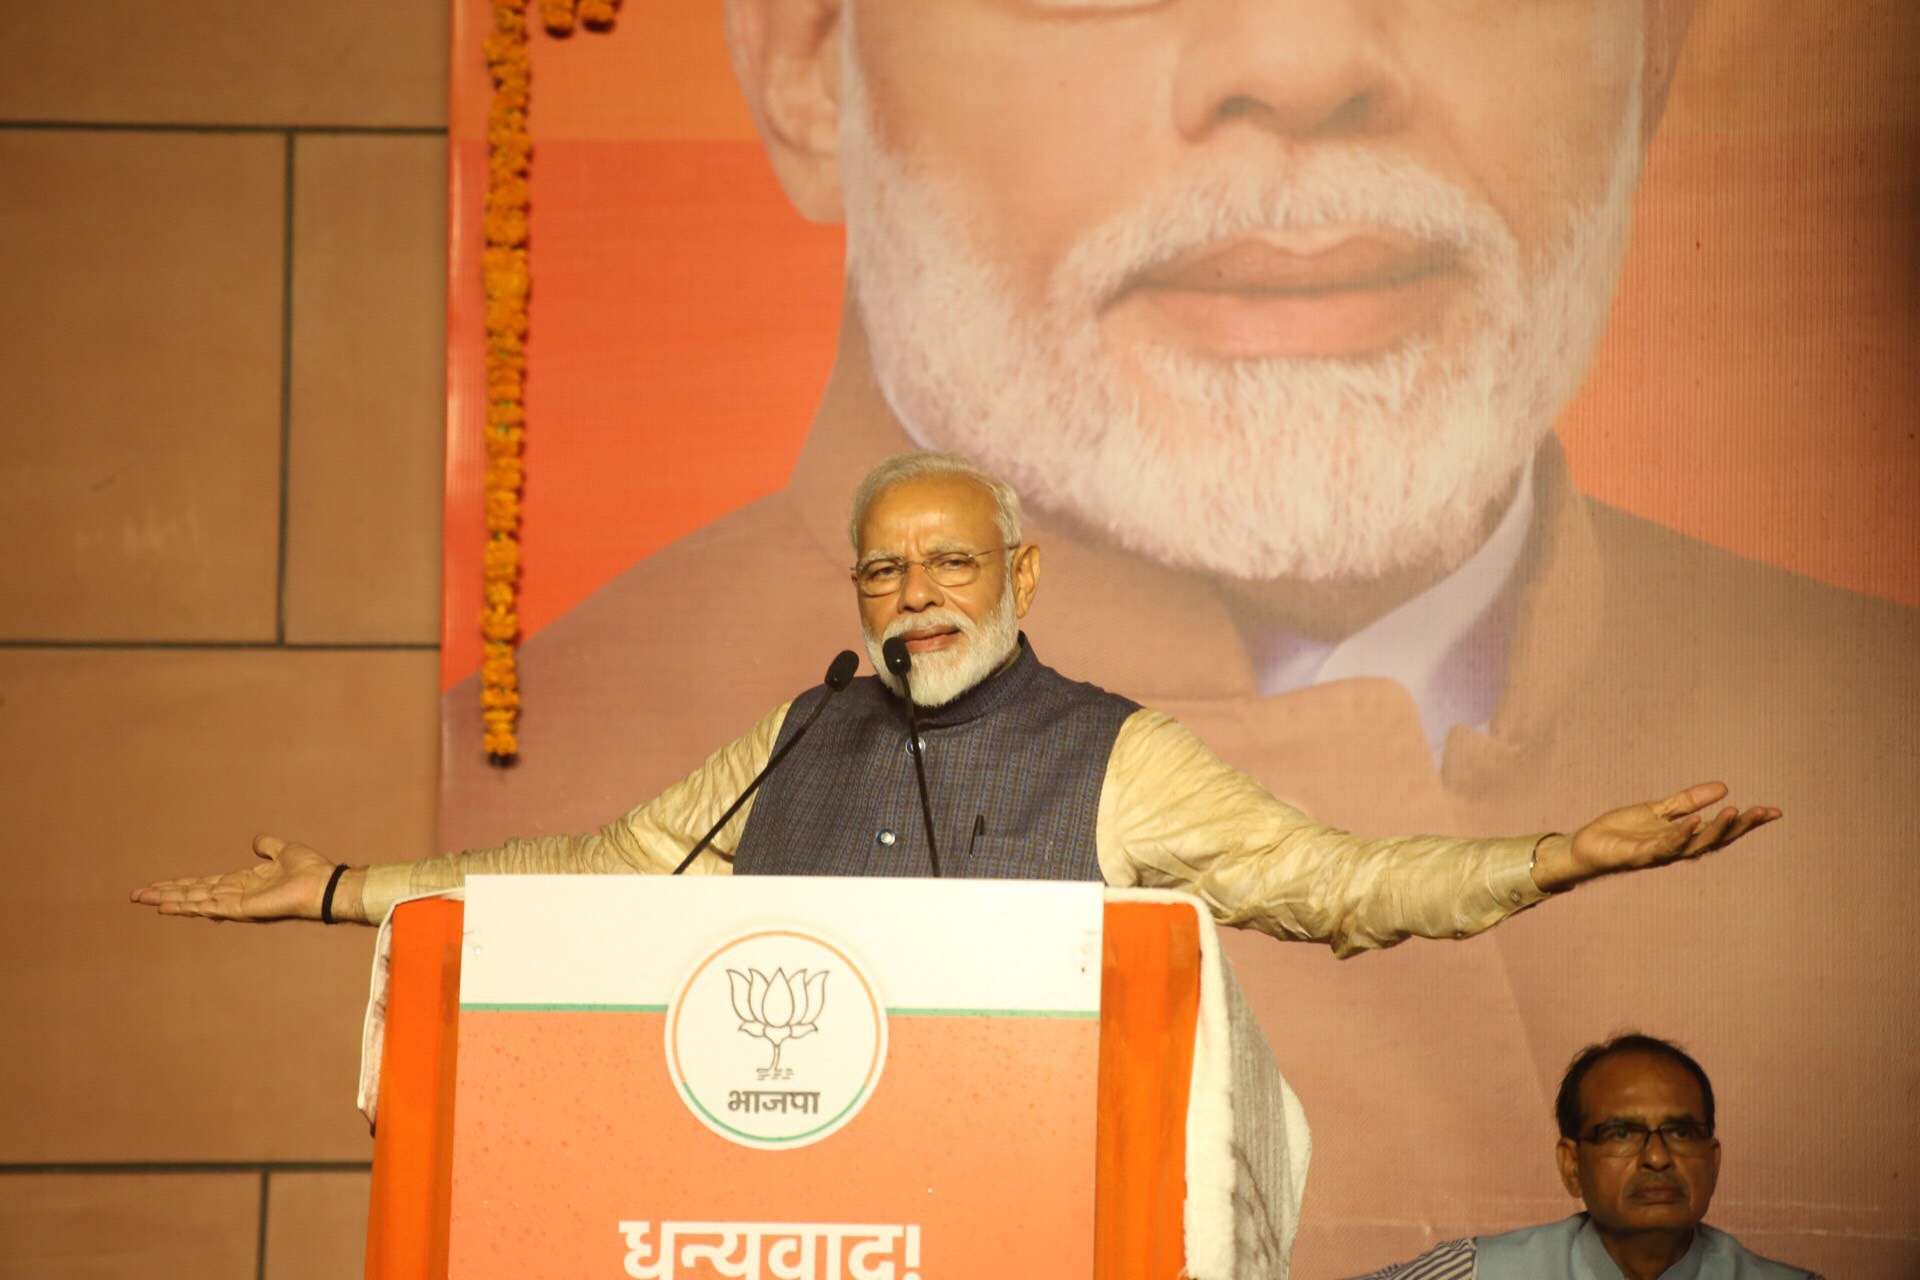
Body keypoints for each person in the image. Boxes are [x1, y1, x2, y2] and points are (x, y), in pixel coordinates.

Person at [430, 1, 1918, 1267]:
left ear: (1651, 48)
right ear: (815, 62)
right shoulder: (577, 771)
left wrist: (1551, 858)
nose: (1298, 52)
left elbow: (1338, 884)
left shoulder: (1879, 733)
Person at [133, 453, 1773, 947]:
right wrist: (347, 889)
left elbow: (1342, 882)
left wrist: (1555, 856)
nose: (913, 593)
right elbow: (598, 877)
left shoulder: (1119, 757)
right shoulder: (799, 735)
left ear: (1021, 575)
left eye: (946, 563)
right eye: (883, 572)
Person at [1352, 1034, 1822, 1280]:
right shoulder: (1476, 1273)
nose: (1657, 1157)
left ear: (1713, 1161)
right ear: (1571, 1166)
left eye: (1681, 1131)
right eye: (1621, 1133)